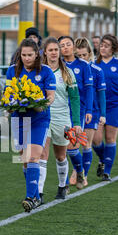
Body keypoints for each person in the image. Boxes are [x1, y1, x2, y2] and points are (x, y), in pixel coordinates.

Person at [6, 38, 55, 212]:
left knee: (34, 156)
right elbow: (9, 93)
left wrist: (43, 104)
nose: (27, 58)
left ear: (37, 55)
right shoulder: (12, 71)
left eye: (30, 55)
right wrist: (8, 106)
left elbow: (50, 96)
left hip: (39, 118)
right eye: (24, 55)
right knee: (24, 158)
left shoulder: (46, 71)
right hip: (19, 118)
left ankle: (31, 197)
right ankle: (34, 194)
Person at [38, 37, 80, 200]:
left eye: (56, 50)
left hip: (62, 118)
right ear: (45, 52)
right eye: (51, 50)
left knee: (61, 156)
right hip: (42, 116)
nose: (54, 53)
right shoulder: (39, 71)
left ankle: (63, 185)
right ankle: (39, 193)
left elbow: (75, 99)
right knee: (42, 155)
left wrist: (76, 123)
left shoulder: (67, 72)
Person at [94, 34, 118, 181]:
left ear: (113, 48)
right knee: (96, 140)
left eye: (106, 46)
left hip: (116, 106)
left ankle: (107, 172)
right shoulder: (94, 64)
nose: (103, 48)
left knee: (110, 138)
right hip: (97, 107)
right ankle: (103, 159)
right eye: (101, 45)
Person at [58, 35, 93, 189]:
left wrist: (89, 110)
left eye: (68, 44)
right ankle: (64, 183)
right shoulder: (56, 66)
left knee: (72, 147)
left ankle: (79, 172)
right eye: (62, 45)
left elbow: (89, 89)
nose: (65, 47)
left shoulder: (84, 66)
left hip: (78, 109)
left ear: (73, 47)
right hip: (60, 110)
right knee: (61, 148)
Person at [74, 37, 106, 185]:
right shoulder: (70, 69)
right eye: (78, 55)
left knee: (86, 144)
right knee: (74, 145)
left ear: (90, 54)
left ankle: (83, 175)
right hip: (75, 111)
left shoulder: (97, 71)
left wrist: (103, 114)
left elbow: (101, 94)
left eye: (84, 55)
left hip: (91, 111)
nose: (82, 58)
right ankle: (78, 170)